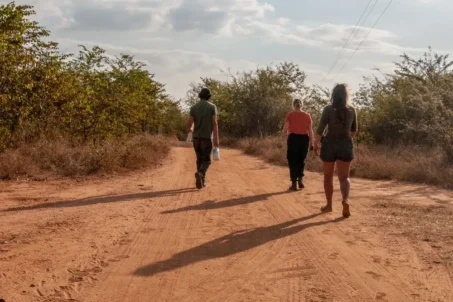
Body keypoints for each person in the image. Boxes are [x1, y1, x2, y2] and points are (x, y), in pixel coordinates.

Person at [313, 84, 358, 218]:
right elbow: (354, 132)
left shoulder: (328, 109)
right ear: (346, 95)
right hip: (345, 144)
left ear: (333, 94)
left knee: (328, 176)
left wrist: (316, 144)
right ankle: (345, 200)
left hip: (329, 144)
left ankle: (329, 205)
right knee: (344, 177)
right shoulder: (352, 110)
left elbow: (320, 129)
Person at [187, 88, 219, 189]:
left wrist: (190, 130)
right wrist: (216, 139)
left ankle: (202, 181)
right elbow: (214, 123)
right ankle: (201, 173)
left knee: (199, 159)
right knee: (207, 160)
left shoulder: (193, 107)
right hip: (206, 138)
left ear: (200, 96)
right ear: (209, 96)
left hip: (196, 138)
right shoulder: (212, 107)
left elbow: (189, 123)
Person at [282, 99, 314, 191]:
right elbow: (310, 130)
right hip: (304, 139)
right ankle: (300, 180)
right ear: (301, 105)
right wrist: (312, 143)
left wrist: (285, 134)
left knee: (292, 160)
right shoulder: (307, 115)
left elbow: (285, 128)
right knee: (301, 160)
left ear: (293, 105)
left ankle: (293, 183)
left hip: (293, 138)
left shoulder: (290, 115)